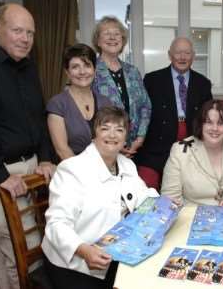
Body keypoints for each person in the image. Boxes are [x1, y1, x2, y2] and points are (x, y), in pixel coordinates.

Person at [0, 3, 55, 289]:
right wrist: (0, 175)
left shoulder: (28, 64)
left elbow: (38, 114)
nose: (25, 39)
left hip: (29, 166)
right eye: (18, 31)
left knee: (5, 239)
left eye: (31, 33)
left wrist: (45, 158)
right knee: (25, 242)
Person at [42, 106, 159, 289]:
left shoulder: (127, 164)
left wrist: (165, 203)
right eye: (105, 128)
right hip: (76, 263)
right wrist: (84, 250)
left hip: (114, 253)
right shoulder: (71, 170)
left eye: (119, 130)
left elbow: (144, 196)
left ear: (125, 138)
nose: (112, 135)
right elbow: (57, 224)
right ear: (93, 135)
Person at [136, 37, 212, 189]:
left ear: (193, 56)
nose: (182, 57)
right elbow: (142, 113)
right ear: (170, 55)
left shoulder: (203, 83)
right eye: (178, 53)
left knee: (190, 188)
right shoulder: (152, 80)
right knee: (146, 186)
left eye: (187, 53)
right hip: (157, 146)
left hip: (191, 145)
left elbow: (207, 117)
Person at [161, 99, 223, 206]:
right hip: (191, 217)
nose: (215, 128)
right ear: (201, 125)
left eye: (221, 123)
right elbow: (170, 198)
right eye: (209, 122)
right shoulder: (180, 151)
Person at [93, 16, 151, 158]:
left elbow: (145, 106)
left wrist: (140, 138)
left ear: (123, 40)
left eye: (117, 34)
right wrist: (114, 145)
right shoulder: (90, 71)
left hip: (133, 148)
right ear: (98, 41)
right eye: (106, 33)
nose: (112, 37)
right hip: (103, 148)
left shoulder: (133, 71)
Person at [47, 43, 112, 160]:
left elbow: (110, 142)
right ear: (67, 72)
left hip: (104, 167)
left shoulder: (106, 102)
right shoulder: (57, 104)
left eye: (87, 65)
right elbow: (62, 150)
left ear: (94, 69)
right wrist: (84, 174)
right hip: (72, 171)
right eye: (75, 67)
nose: (82, 72)